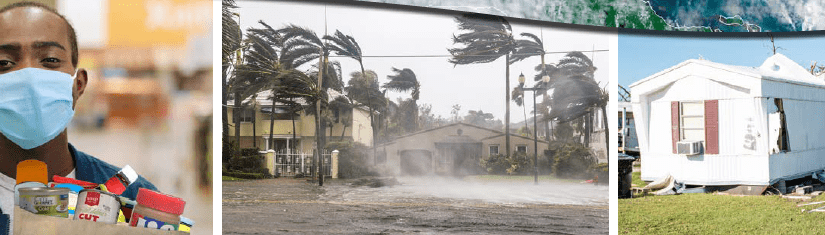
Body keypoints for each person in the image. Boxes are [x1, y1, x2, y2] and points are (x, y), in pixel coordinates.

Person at [0, 1, 157, 231]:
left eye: (50, 60)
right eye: (4, 62)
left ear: (79, 84)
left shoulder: (138, 203)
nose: (29, 77)